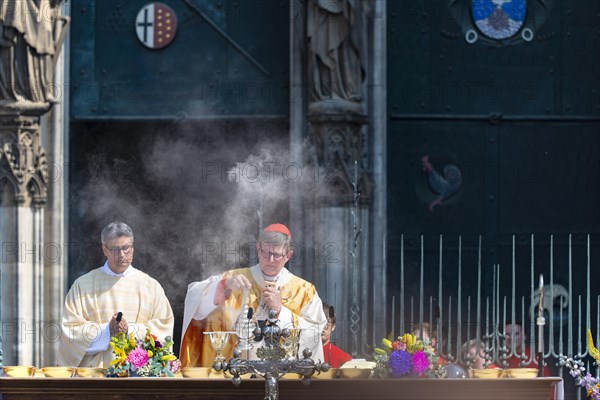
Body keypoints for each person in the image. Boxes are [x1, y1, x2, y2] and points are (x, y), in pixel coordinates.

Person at [180, 223, 327, 367]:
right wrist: (224, 288)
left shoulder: (303, 290)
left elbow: (315, 333)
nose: (270, 260)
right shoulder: (233, 278)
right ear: (258, 249)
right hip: (233, 373)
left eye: (276, 255)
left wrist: (280, 311)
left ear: (288, 255)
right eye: (265, 252)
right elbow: (195, 307)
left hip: (283, 375)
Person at [58, 222, 174, 367]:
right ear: (104, 250)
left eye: (126, 248)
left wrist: (130, 330)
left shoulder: (151, 286)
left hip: (138, 376)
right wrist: (107, 330)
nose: (121, 255)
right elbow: (70, 332)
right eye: (114, 249)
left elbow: (164, 329)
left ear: (133, 248)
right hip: (94, 378)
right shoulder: (83, 285)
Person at [322, 303, 352, 368]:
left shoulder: (344, 360)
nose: (322, 327)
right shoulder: (299, 355)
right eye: (317, 322)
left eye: (326, 323)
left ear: (333, 326)